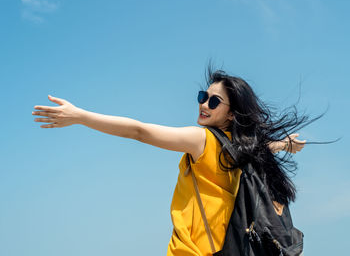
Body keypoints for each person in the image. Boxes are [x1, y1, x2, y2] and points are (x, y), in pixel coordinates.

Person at [32, 65, 314, 256]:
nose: (204, 104)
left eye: (214, 102)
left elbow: (139, 131)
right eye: (203, 97)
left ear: (231, 114)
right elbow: (262, 147)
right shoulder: (243, 153)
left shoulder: (202, 140)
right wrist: (283, 145)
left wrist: (81, 116)